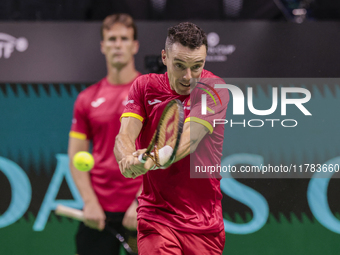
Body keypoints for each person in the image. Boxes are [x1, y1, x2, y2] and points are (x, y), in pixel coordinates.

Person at [114, 22, 229, 255]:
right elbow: (124, 135)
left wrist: (155, 157)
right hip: (157, 218)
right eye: (180, 65)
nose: (188, 77)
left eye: (197, 66)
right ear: (165, 57)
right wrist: (126, 159)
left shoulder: (213, 87)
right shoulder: (144, 87)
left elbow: (191, 137)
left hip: (205, 224)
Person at [68, 13, 142, 255]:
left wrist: (141, 202)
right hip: (99, 210)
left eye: (124, 38)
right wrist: (90, 202)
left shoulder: (151, 93)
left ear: (135, 45)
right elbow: (76, 156)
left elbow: (165, 153)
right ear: (103, 46)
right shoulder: (87, 98)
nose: (117, 44)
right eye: (111, 39)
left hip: (144, 208)